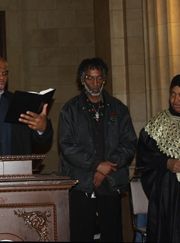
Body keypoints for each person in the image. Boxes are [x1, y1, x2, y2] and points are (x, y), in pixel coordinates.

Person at [58, 58, 137, 242]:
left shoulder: (118, 108)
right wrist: (96, 165)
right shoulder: (70, 109)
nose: (95, 84)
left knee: (112, 235)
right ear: (82, 80)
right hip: (82, 183)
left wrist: (106, 169)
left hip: (111, 182)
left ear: (104, 79)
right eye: (90, 79)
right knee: (81, 234)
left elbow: (129, 143)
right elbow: (67, 146)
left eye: (99, 78)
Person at [136, 74, 180, 242]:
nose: (175, 99)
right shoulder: (159, 122)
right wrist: (166, 162)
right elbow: (144, 154)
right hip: (167, 193)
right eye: (173, 94)